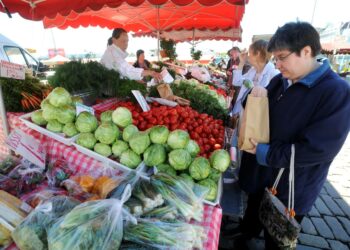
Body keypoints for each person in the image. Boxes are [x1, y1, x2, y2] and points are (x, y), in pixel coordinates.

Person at [234, 21, 350, 250]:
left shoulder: (337, 92)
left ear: (306, 51)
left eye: (282, 57)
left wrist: (265, 152)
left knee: (276, 238)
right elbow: (259, 110)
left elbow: (318, 150)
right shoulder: (282, 80)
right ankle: (245, 235)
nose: (276, 64)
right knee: (253, 216)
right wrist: (254, 96)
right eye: (275, 58)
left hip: (291, 189)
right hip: (264, 174)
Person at [230, 39, 279, 117]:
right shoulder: (253, 70)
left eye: (249, 53)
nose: (248, 56)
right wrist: (241, 63)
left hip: (255, 118)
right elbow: (236, 81)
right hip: (242, 113)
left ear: (258, 54)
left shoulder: (274, 74)